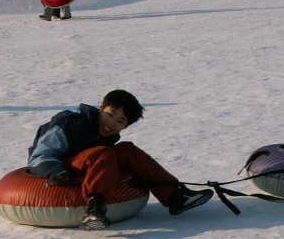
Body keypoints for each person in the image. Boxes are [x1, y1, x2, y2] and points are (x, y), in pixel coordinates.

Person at [27, 90, 213, 230]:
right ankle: (94, 209)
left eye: (120, 121)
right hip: (62, 168)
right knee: (105, 152)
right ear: (101, 108)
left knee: (127, 150)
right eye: (110, 114)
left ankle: (175, 196)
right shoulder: (70, 124)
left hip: (91, 162)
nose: (111, 123)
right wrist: (56, 172)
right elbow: (39, 155)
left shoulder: (105, 136)